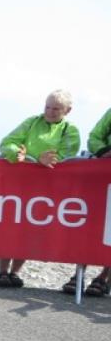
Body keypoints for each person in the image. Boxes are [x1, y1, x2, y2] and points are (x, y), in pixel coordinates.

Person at [0, 89, 80, 287]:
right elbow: (7, 143)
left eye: (56, 109)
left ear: (67, 110)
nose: (49, 112)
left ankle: (15, 272)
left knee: (30, 231)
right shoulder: (32, 121)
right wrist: (17, 154)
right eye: (47, 107)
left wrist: (35, 159)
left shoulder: (70, 130)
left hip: (47, 190)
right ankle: (2, 272)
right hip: (19, 185)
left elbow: (65, 155)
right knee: (11, 228)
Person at [62, 107, 111, 296]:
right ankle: (79, 274)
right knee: (92, 225)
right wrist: (103, 150)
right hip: (103, 174)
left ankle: (104, 278)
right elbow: (95, 137)